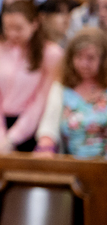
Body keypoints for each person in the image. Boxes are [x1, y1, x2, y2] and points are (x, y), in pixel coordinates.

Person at [0, 0, 65, 153]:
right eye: (7, 28)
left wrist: (12, 138)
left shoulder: (51, 53)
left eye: (18, 28)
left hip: (31, 130)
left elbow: (41, 100)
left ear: (34, 24)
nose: (12, 34)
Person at [36, 29, 107, 157]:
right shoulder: (61, 88)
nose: (84, 64)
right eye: (79, 57)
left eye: (90, 58)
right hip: (72, 163)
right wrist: (46, 146)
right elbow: (49, 126)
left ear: (103, 60)